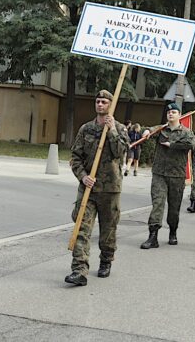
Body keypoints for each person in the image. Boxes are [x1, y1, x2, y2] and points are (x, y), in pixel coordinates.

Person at [64, 90, 129, 286]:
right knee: (82, 228)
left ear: (111, 105)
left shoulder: (118, 128)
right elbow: (75, 157)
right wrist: (83, 177)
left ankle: (106, 260)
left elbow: (120, 152)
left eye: (104, 102)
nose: (100, 104)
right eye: (98, 101)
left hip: (110, 188)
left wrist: (112, 131)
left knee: (108, 229)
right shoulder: (86, 129)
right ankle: (79, 270)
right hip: (88, 189)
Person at [140, 103, 195, 249]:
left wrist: (171, 144)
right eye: (169, 112)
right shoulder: (161, 129)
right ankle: (153, 236)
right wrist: (146, 131)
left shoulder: (186, 132)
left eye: (174, 112)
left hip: (176, 175)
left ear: (179, 115)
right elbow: (149, 129)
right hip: (159, 173)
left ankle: (172, 232)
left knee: (174, 207)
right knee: (157, 203)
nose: (171, 114)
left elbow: (190, 144)